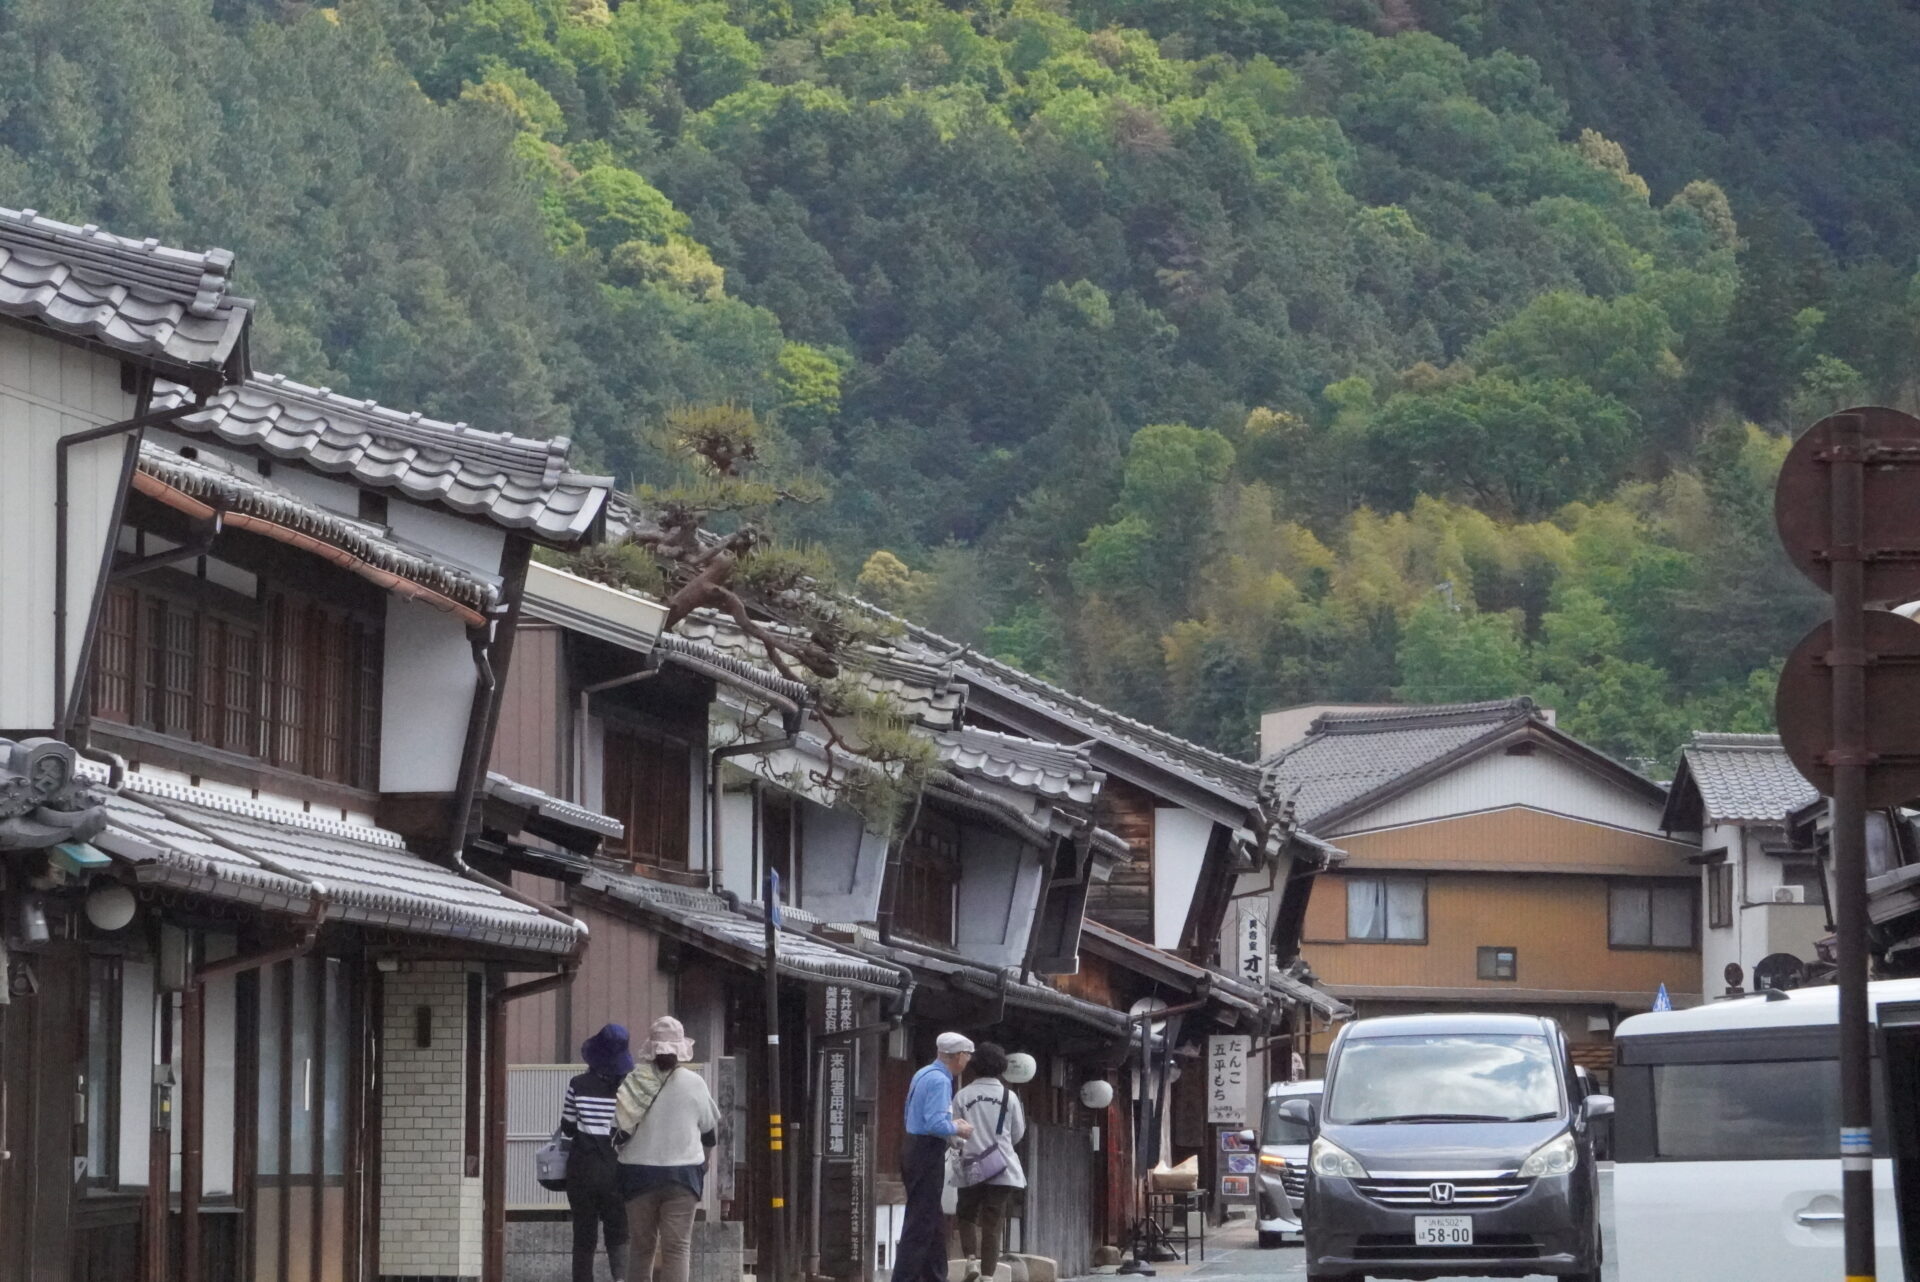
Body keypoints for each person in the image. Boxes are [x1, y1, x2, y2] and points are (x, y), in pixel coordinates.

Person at [615, 1016, 722, 1282]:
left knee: (641, 1247)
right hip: (683, 1176)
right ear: (680, 1050)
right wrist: (703, 1164)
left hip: (637, 1174)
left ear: (651, 1048)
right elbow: (710, 1132)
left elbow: (616, 1128)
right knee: (677, 1248)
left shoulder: (634, 1081)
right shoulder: (694, 1083)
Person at [893, 1032, 976, 1282]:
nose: (968, 1060)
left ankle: (935, 1275)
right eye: (968, 1056)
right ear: (959, 1056)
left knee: (932, 1217)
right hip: (926, 1150)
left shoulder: (924, 1073)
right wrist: (959, 1128)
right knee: (921, 1220)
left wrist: (948, 1124)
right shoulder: (941, 1080)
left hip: (914, 1147)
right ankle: (904, 1278)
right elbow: (935, 1123)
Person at [562, 1024, 634, 1282]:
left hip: (583, 1168)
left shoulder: (578, 1084)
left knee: (584, 1236)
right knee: (619, 1233)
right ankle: (622, 1279)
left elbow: (568, 1127)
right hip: (618, 1169)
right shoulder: (629, 1089)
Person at [952, 1043, 1026, 1282]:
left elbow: (953, 1132)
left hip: (972, 1165)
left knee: (966, 1214)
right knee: (993, 1223)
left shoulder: (963, 1095)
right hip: (1002, 1168)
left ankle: (971, 1259)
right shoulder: (1009, 1097)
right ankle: (988, 1276)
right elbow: (1018, 1133)